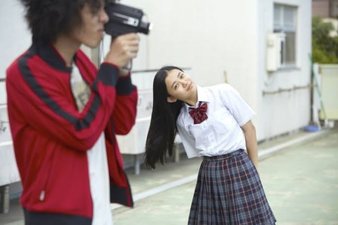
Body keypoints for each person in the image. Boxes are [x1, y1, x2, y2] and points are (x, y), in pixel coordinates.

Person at [6, 0, 140, 224]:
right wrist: (109, 67)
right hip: (56, 213)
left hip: (96, 206)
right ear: (62, 12)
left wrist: (123, 69)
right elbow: (81, 132)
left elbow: (121, 122)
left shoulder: (81, 63)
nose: (105, 18)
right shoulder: (25, 72)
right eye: (95, 10)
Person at [144, 66, 276, 225]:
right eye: (176, 86)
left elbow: (249, 129)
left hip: (240, 168)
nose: (184, 82)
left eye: (181, 76)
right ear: (171, 98)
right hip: (210, 174)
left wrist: (254, 170)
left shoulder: (223, 92)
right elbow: (198, 148)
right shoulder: (182, 121)